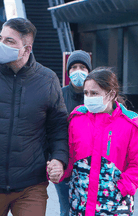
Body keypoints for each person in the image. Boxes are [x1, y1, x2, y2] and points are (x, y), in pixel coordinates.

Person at [0, 18, 68, 216]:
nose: (1, 44)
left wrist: (59, 159)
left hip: (30, 184)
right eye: (1, 38)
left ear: (27, 49)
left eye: (10, 41)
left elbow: (58, 128)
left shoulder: (48, 80)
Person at [48, 67, 138, 216]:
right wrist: (59, 170)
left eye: (94, 93)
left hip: (114, 206)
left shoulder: (130, 125)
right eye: (86, 93)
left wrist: (121, 187)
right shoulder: (76, 120)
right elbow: (68, 156)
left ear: (111, 94)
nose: (89, 97)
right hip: (80, 205)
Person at [53, 50, 92, 216]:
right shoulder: (59, 95)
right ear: (68, 72)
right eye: (74, 67)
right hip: (64, 161)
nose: (78, 71)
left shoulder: (95, 96)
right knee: (66, 208)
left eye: (82, 67)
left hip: (89, 163)